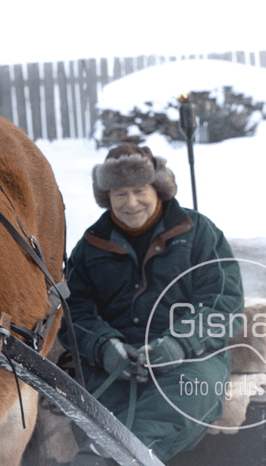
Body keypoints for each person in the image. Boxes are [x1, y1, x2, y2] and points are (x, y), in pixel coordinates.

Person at [58, 143, 244, 465]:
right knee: (97, 409)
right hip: (115, 363)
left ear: (157, 187)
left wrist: (179, 343)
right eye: (119, 194)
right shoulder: (90, 245)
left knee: (190, 393)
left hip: (192, 358)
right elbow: (73, 311)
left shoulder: (198, 232)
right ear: (107, 197)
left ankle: (107, 456)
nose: (131, 203)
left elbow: (223, 304)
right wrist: (104, 346)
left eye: (139, 190)